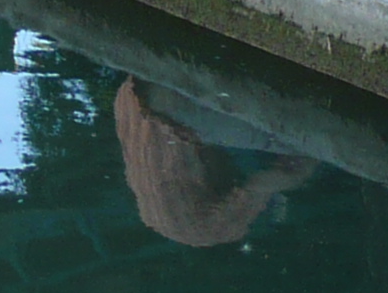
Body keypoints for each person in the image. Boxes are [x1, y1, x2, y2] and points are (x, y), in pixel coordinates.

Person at [113, 79, 316, 248]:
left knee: (300, 143)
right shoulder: (149, 216)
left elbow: (265, 182)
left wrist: (303, 169)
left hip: (173, 108)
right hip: (130, 93)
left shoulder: (213, 232)